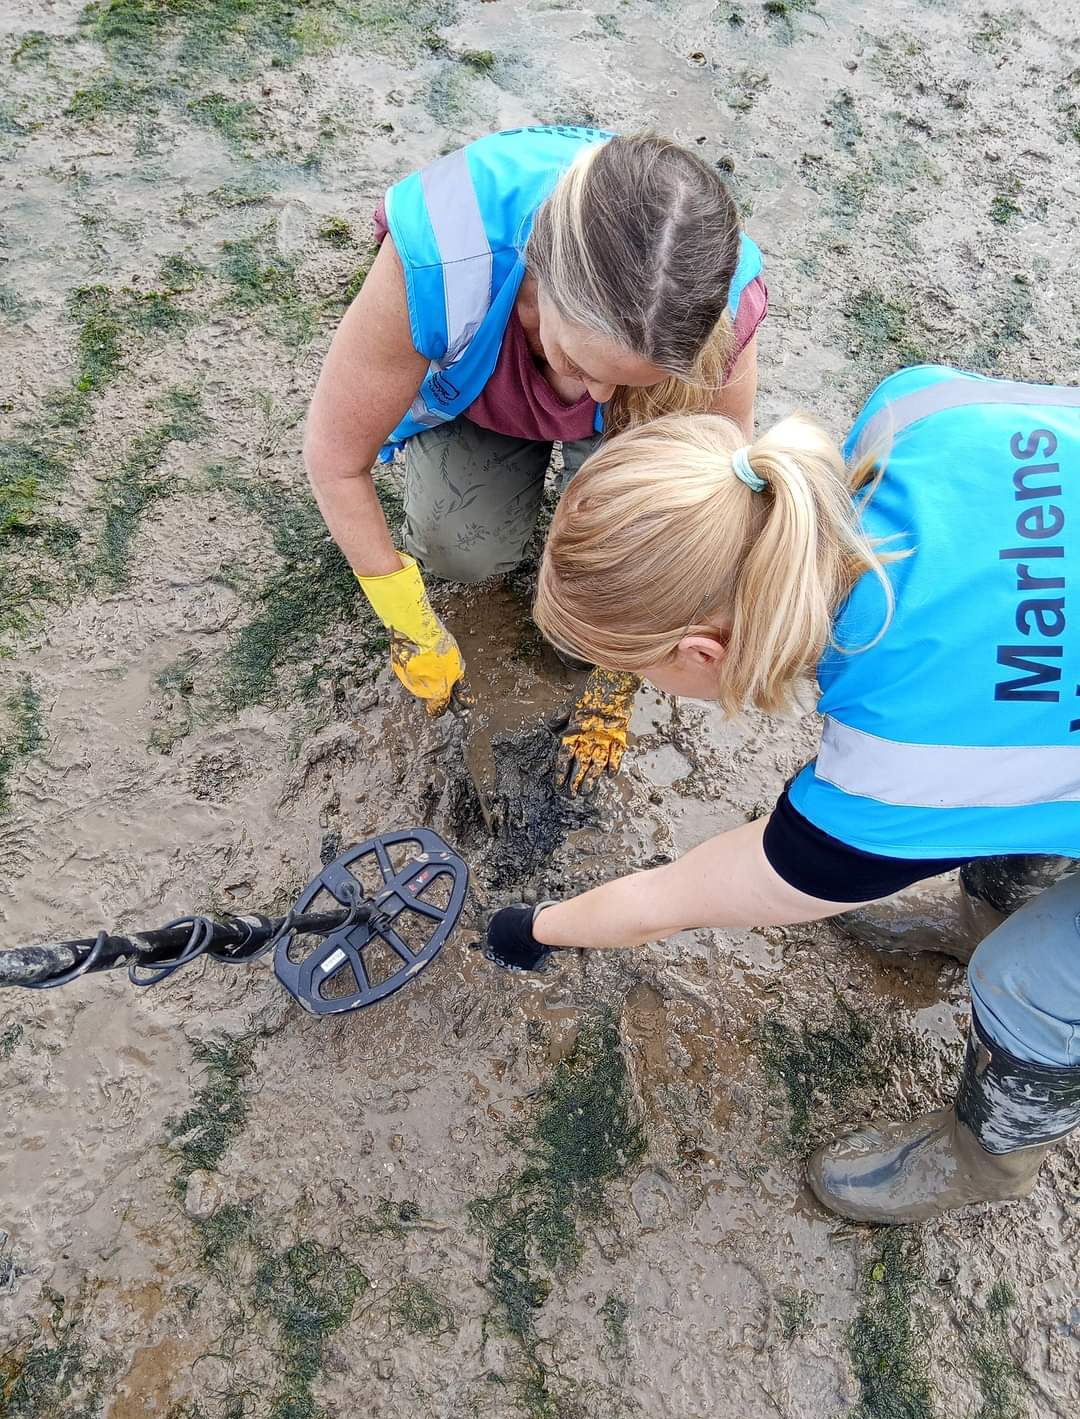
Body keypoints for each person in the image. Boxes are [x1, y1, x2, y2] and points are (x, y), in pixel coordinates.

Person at [484, 363, 1080, 1225]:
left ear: (700, 650)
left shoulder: (897, 763)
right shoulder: (911, 412)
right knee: (1026, 761)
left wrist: (533, 928)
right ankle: (984, 909)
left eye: (632, 670)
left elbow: (672, 899)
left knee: (1027, 979)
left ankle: (988, 1158)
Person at [304, 125, 767, 790]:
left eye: (626, 382)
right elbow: (334, 460)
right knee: (457, 549)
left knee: (620, 577)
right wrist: (411, 623)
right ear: (536, 276)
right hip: (486, 395)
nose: (597, 399)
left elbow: (712, 519)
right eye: (576, 362)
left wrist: (618, 670)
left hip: (645, 389)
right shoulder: (445, 254)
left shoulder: (717, 305)